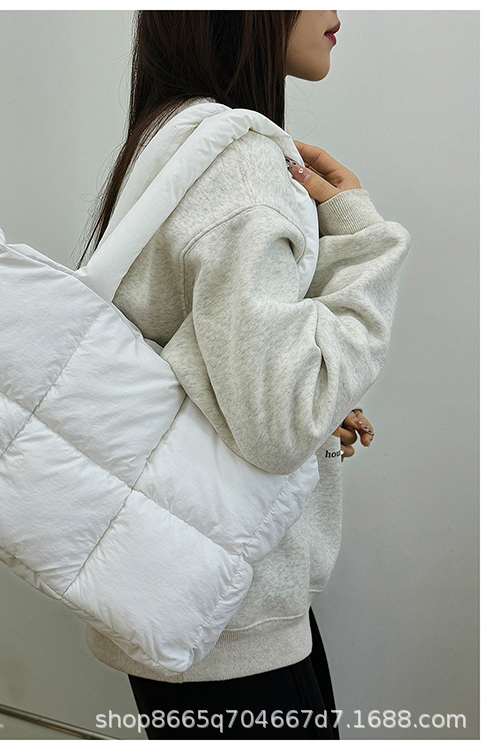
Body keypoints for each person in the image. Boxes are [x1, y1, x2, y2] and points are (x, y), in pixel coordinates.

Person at [77, 10, 410, 740]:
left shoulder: (168, 137)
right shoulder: (239, 161)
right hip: (231, 624)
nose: (337, 12)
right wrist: (362, 235)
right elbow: (279, 423)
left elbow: (190, 353)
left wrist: (302, 399)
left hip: (176, 597)